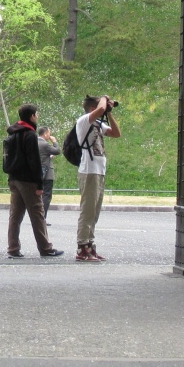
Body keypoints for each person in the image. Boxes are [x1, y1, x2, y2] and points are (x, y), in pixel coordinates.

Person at [4, 104, 64, 258]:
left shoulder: (13, 133)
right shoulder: (30, 135)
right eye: (36, 114)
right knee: (37, 214)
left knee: (15, 215)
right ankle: (45, 248)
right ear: (32, 116)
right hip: (28, 181)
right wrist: (39, 183)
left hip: (14, 178)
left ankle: (13, 248)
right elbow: (34, 161)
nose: (37, 116)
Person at [75, 95, 121, 262]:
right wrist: (104, 98)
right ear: (93, 108)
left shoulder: (98, 124)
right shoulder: (84, 120)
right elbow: (100, 109)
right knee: (87, 211)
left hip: (99, 171)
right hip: (89, 171)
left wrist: (109, 113)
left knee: (94, 212)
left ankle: (90, 246)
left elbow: (116, 133)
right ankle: (81, 248)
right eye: (101, 106)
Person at [37, 126, 61, 224]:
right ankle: (42, 218)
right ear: (46, 133)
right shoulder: (44, 144)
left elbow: (42, 156)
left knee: (38, 196)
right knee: (46, 196)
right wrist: (54, 141)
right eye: (49, 133)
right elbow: (57, 150)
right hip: (47, 174)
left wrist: (50, 156)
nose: (50, 135)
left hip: (37, 173)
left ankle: (37, 218)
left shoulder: (34, 143)